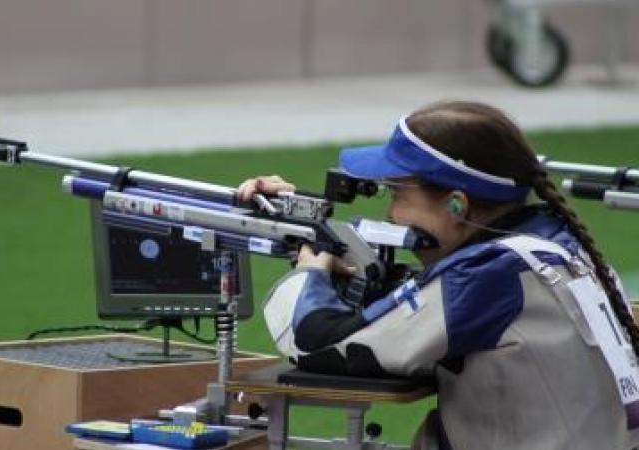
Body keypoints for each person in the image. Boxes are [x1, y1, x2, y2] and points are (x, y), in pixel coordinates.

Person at [237, 101, 639, 450]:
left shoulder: (486, 278)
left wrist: (311, 271)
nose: (390, 215)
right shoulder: (554, 243)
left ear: (457, 206)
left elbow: (321, 343)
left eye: (397, 194)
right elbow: (433, 303)